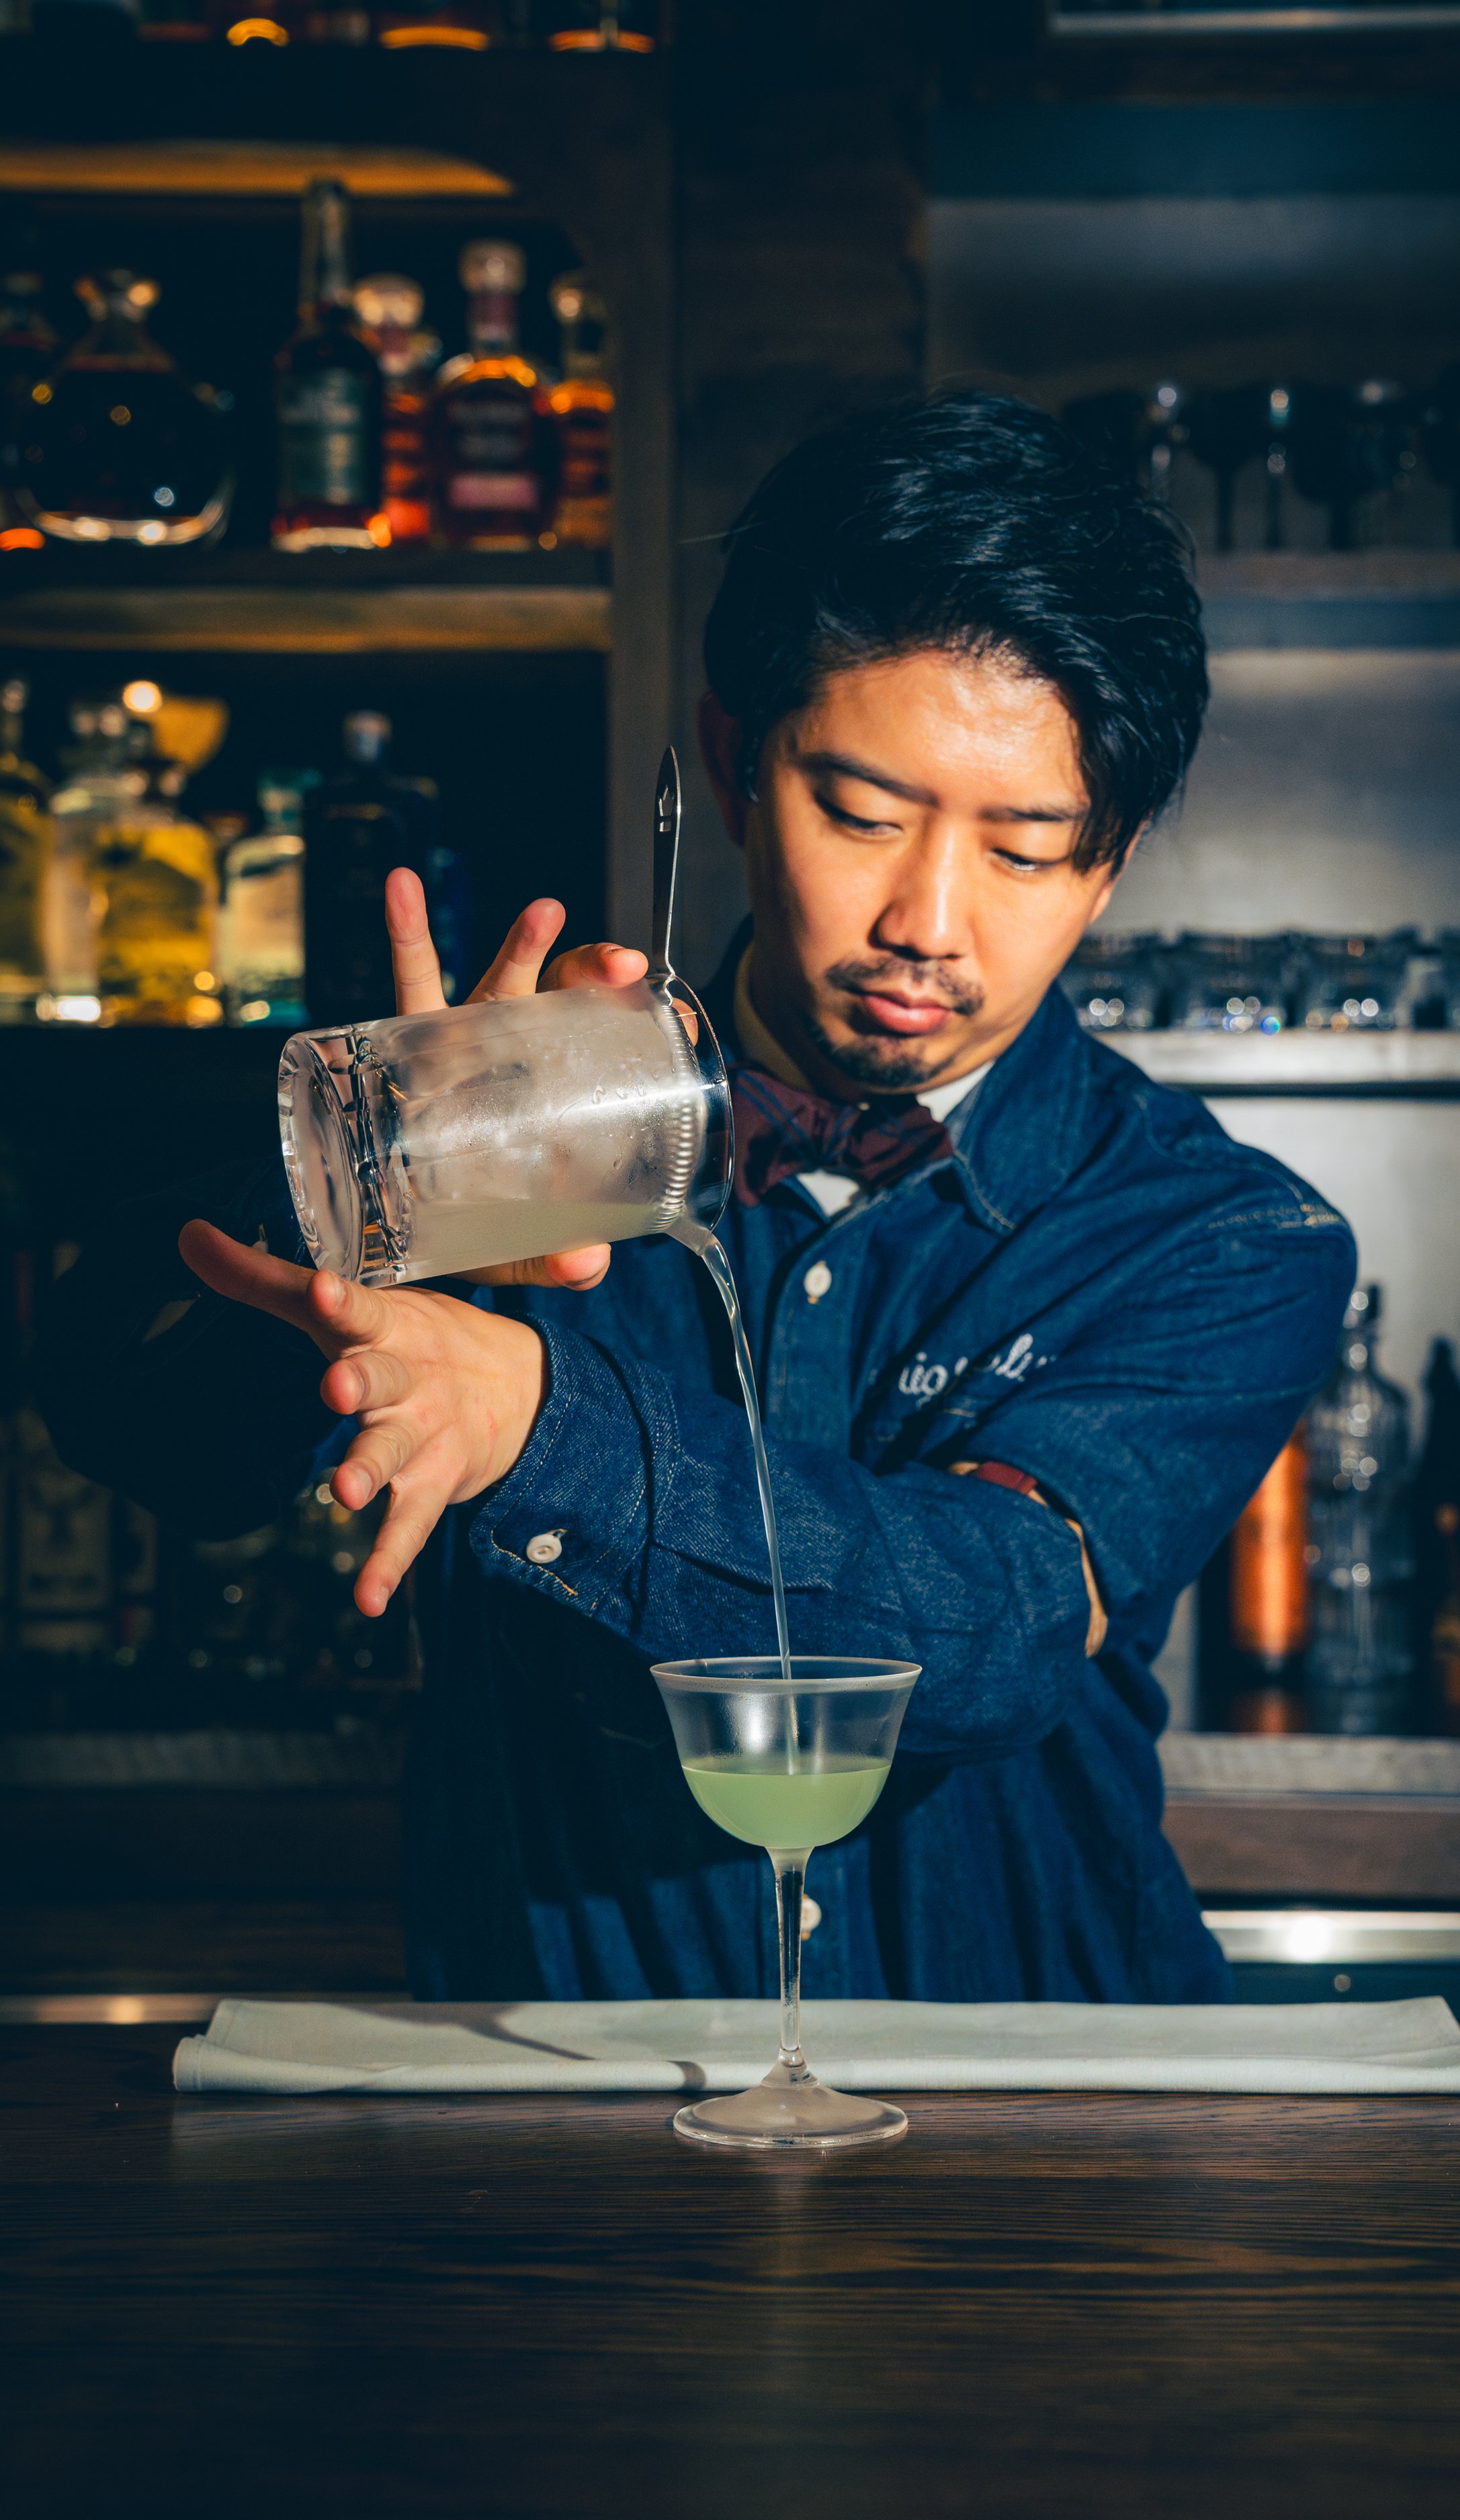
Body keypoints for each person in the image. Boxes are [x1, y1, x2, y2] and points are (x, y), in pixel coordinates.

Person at [40, 392, 1354, 2004]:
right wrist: (372, 1187)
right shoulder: (510, 1131)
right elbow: (131, 1420)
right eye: (861, 814)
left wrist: (544, 1427)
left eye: (1023, 851)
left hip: (1043, 2102)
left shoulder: (1212, 1234)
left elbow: (996, 1622)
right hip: (562, 2095)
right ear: (733, 763)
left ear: (1115, 857)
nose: (927, 922)